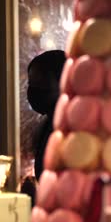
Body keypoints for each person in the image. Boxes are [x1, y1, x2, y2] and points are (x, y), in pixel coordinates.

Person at [27, 50, 66, 180]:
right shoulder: (47, 124)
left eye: (41, 83)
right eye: (31, 84)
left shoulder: (75, 128)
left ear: (63, 82)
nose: (34, 90)